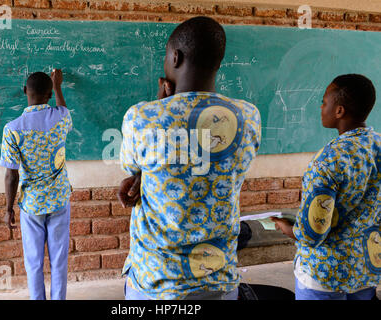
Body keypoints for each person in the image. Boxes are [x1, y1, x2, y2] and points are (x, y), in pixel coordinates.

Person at [119, 16, 261, 300]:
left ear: (175, 56)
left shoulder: (142, 117)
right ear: (218, 64)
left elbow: (133, 169)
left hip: (158, 280)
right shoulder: (248, 116)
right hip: (219, 278)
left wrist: (160, 104)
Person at [272, 74, 380, 300]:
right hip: (366, 267)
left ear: (339, 111)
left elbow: (313, 234)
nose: (321, 107)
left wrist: (288, 229)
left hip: (325, 274)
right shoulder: (378, 145)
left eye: (324, 102)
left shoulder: (328, 159)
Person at [0, 69, 73, 300]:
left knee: (33, 261)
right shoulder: (61, 118)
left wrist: (8, 208)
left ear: (25, 91)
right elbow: (63, 108)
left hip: (31, 205)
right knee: (59, 259)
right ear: (49, 95)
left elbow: (11, 176)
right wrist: (58, 86)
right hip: (59, 199)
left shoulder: (12, 129)